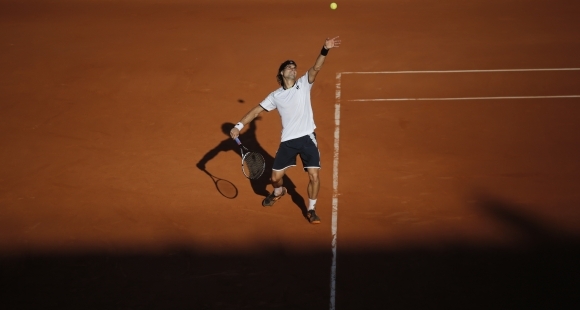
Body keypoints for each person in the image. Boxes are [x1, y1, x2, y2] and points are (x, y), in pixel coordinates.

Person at [230, 36, 341, 224]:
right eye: (289, 67)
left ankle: (311, 209)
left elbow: (316, 68)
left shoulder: (303, 84)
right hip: (288, 141)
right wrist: (238, 126)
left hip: (307, 138)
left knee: (314, 176)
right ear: (282, 72)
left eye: (294, 66)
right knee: (275, 178)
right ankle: (279, 191)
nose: (293, 68)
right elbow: (257, 110)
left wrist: (325, 49)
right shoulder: (276, 95)